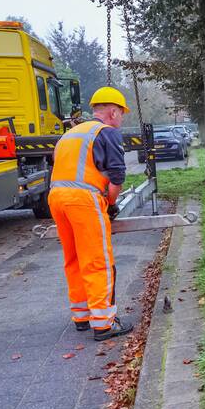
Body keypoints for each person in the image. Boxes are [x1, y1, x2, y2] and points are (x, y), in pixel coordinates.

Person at [48, 86, 132, 341]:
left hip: (56, 198)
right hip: (83, 200)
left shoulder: (71, 134)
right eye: (121, 114)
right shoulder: (107, 133)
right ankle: (104, 322)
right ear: (113, 111)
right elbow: (116, 175)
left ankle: (82, 316)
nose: (121, 119)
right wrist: (110, 203)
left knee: (73, 257)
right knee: (98, 259)